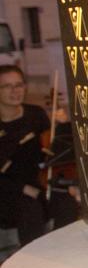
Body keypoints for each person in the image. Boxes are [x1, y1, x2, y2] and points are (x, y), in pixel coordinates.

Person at [0, 66, 50, 247]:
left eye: (19, 85)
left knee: (66, 202)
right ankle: (35, 263)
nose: (15, 91)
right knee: (30, 208)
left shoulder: (36, 114)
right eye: (7, 86)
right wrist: (23, 188)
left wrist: (60, 127)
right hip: (8, 190)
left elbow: (51, 150)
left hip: (39, 181)